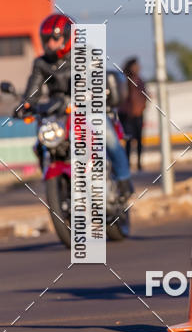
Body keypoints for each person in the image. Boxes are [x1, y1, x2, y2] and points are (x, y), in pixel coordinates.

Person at [18, 13, 133, 200]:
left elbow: (96, 77)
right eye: (46, 39)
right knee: (41, 143)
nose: (50, 44)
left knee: (108, 136)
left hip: (87, 107)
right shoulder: (41, 63)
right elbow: (34, 88)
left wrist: (91, 92)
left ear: (68, 36)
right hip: (59, 111)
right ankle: (58, 180)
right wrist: (26, 104)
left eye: (54, 38)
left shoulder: (86, 54)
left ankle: (123, 180)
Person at [121, 57, 147, 171]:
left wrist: (141, 108)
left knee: (139, 140)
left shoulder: (139, 80)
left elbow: (144, 96)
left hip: (138, 115)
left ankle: (139, 163)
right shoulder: (124, 79)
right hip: (126, 115)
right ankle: (127, 163)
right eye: (135, 66)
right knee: (128, 140)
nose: (138, 68)